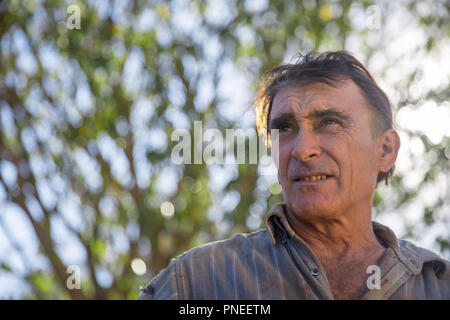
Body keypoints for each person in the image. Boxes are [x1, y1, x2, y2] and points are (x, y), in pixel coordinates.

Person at [138, 51, 449, 300]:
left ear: (385, 151)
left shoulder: (439, 287)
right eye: (285, 128)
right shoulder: (196, 282)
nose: (302, 150)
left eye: (329, 122)